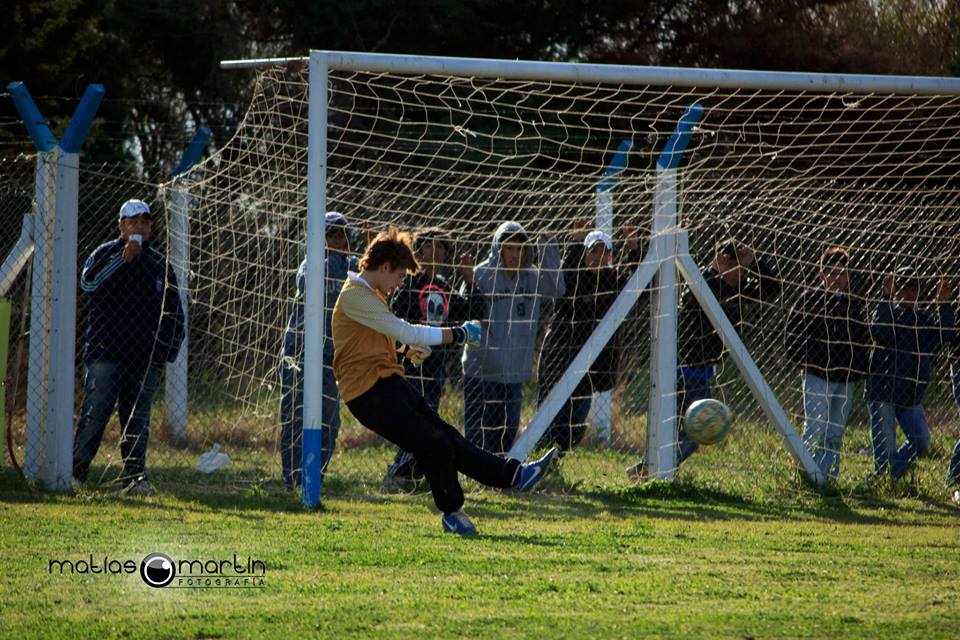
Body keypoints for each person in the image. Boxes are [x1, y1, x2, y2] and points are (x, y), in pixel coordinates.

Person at [331, 227, 557, 535]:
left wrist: (405, 350)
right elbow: (404, 329)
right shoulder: (355, 295)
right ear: (384, 267)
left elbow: (374, 337)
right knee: (435, 444)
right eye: (399, 276)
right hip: (367, 394)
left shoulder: (370, 294)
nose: (400, 284)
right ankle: (453, 511)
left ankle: (514, 477)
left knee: (447, 437)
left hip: (386, 383)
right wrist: (458, 333)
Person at [627, 239, 782, 481]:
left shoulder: (740, 288)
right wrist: (716, 270)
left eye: (741, 269)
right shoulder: (702, 282)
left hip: (704, 372)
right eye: (733, 266)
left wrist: (755, 263)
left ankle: (653, 470)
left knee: (691, 432)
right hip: (681, 369)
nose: (737, 274)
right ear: (720, 262)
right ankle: (653, 470)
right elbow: (690, 301)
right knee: (688, 431)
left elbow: (773, 288)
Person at [72, 199, 185, 495]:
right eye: (133, 222)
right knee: (95, 414)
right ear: (121, 226)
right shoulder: (105, 254)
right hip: (106, 354)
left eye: (145, 222)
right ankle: (75, 473)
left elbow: (175, 312)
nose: (139, 227)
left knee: (137, 420)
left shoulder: (159, 264)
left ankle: (134, 478)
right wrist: (123, 259)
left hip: (145, 360)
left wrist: (164, 353)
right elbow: (89, 285)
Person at [384, 227, 485, 488]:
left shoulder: (443, 286)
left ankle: (410, 473)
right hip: (410, 364)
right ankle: (400, 471)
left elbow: (475, 309)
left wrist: (470, 280)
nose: (436, 251)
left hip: (436, 367)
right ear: (419, 250)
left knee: (427, 419)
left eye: (441, 247)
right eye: (430, 245)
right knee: (414, 420)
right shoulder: (408, 283)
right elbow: (395, 318)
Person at [537, 219, 642, 453]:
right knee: (549, 413)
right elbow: (565, 279)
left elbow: (638, 284)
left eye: (603, 252)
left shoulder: (614, 280)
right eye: (592, 251)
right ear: (584, 254)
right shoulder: (572, 278)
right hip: (559, 357)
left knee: (574, 425)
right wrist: (575, 242)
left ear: (609, 256)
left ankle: (557, 457)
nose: (596, 257)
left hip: (591, 366)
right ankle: (537, 455)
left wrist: (634, 247)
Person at [462, 221, 565, 455]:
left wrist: (549, 247)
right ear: (498, 248)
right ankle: (477, 481)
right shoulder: (481, 275)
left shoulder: (532, 277)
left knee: (507, 433)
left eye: (519, 249)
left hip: (514, 375)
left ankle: (500, 480)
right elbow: (467, 319)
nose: (514, 255)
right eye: (509, 248)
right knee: (479, 436)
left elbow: (556, 290)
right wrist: (486, 354)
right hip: (482, 374)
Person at [279, 211, 358, 490]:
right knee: (294, 418)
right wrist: (335, 258)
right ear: (319, 238)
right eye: (333, 234)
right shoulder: (310, 264)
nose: (340, 240)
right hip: (298, 354)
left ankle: (315, 478)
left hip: (330, 358)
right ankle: (292, 479)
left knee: (330, 421)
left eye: (344, 234)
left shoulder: (355, 268)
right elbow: (306, 283)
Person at [785, 247, 869, 479]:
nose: (837, 278)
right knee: (815, 426)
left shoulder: (852, 305)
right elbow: (793, 335)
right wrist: (805, 362)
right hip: (817, 375)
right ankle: (806, 474)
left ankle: (828, 476)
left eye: (842, 273)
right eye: (831, 273)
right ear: (822, 275)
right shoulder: (809, 300)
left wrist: (858, 370)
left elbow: (861, 340)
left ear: (848, 276)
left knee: (835, 430)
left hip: (845, 378)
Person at [867, 267, 954, 480]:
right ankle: (884, 479)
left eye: (915, 289)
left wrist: (943, 304)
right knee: (885, 447)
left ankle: (886, 476)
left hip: (910, 395)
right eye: (905, 288)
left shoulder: (922, 318)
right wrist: (885, 298)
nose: (911, 294)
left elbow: (946, 335)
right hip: (884, 392)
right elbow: (879, 330)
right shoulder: (888, 312)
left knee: (921, 441)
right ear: (897, 290)